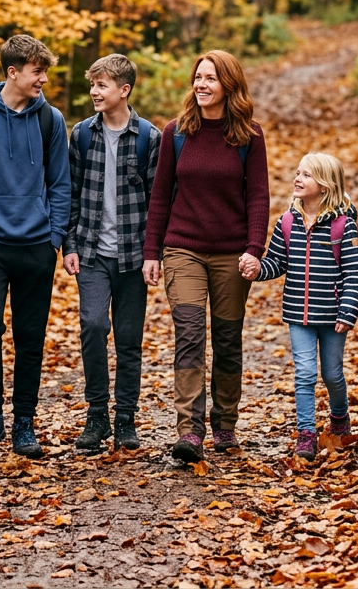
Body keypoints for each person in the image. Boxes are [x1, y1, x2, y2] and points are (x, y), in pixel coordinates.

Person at [143, 50, 269, 464]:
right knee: (191, 336)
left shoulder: (250, 137)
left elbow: (258, 198)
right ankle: (189, 431)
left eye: (211, 78)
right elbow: (160, 196)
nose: (202, 85)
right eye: (198, 77)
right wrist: (152, 251)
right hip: (183, 248)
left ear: (228, 85)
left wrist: (254, 249)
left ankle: (225, 423)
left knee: (228, 341)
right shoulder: (176, 133)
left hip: (232, 254)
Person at [0, 35, 71, 459]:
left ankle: (24, 421)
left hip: (36, 246)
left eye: (44, 71)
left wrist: (55, 238)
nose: (43, 79)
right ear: (13, 73)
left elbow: (60, 182)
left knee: (31, 335)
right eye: (36, 71)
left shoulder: (52, 121)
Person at [63, 54, 160, 452]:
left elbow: (157, 201)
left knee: (128, 338)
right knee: (93, 325)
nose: (94, 93)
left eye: (102, 86)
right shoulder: (82, 135)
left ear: (124, 90)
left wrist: (154, 252)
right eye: (92, 85)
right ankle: (97, 414)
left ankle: (125, 419)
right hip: (90, 251)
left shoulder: (150, 138)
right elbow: (69, 192)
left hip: (134, 255)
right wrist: (68, 243)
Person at [240, 153, 358, 460]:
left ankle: (338, 418)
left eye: (306, 175)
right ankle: (306, 433)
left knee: (332, 374)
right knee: (305, 374)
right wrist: (258, 269)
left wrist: (348, 312)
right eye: (298, 172)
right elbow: (277, 263)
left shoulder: (343, 227)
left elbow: (354, 273)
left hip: (334, 315)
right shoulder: (287, 222)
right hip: (299, 314)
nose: (298, 178)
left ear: (324, 185)